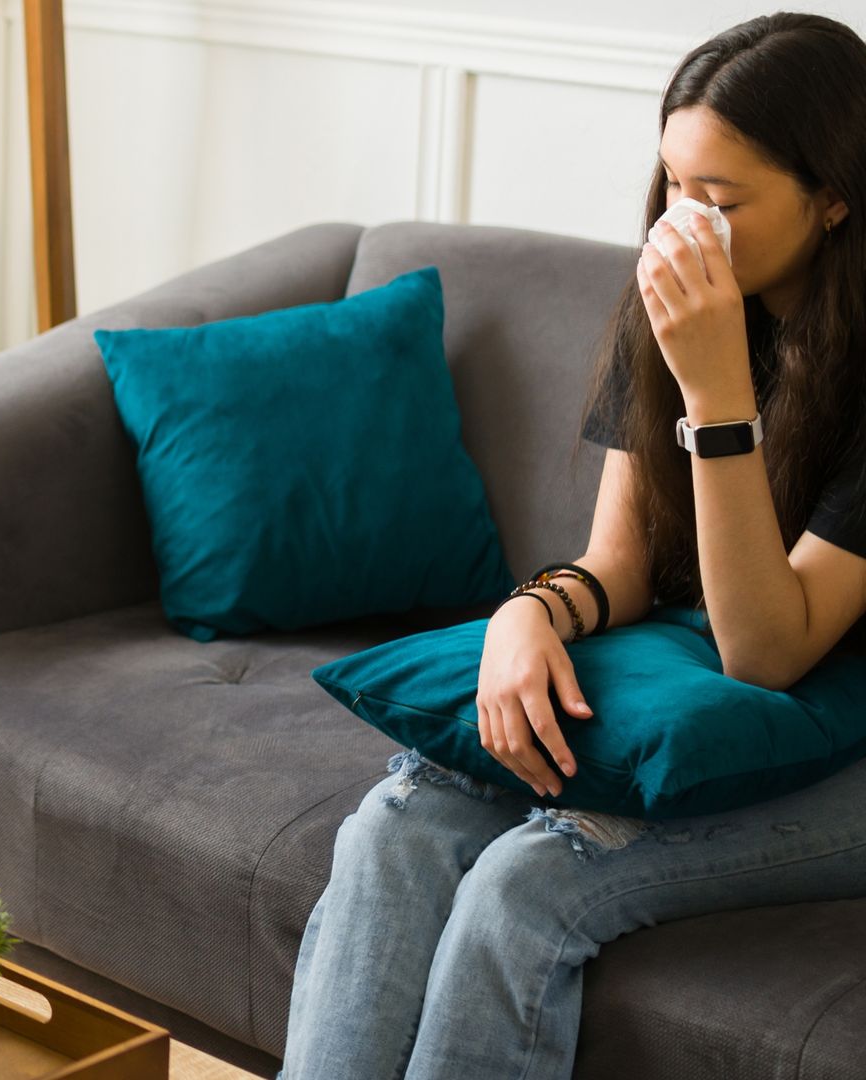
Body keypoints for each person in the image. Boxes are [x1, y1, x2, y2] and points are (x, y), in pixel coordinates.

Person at [282, 12, 866, 1079]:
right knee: (394, 829)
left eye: (721, 199)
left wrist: (716, 397)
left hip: (843, 744)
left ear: (833, 197)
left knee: (527, 885)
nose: (683, 225)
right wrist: (528, 613)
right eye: (672, 185)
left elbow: (766, 650)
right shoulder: (678, 301)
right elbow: (622, 566)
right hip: (698, 696)